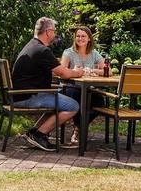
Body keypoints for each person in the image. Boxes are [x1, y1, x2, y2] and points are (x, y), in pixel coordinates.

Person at [12, 17, 84, 151]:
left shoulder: (32, 46)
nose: (55, 34)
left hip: (20, 95)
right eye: (54, 31)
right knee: (73, 106)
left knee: (56, 102)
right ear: (48, 32)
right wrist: (78, 72)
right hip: (29, 96)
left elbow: (54, 71)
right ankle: (39, 134)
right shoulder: (42, 50)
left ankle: (33, 132)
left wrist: (65, 71)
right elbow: (64, 74)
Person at [60, 26, 104, 146]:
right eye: (78, 36)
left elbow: (107, 70)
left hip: (87, 89)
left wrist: (93, 70)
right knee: (79, 98)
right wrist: (73, 71)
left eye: (83, 36)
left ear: (89, 39)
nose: (80, 38)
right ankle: (79, 130)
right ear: (75, 38)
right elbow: (61, 71)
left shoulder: (94, 53)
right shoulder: (68, 53)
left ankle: (78, 127)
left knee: (100, 102)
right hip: (69, 87)